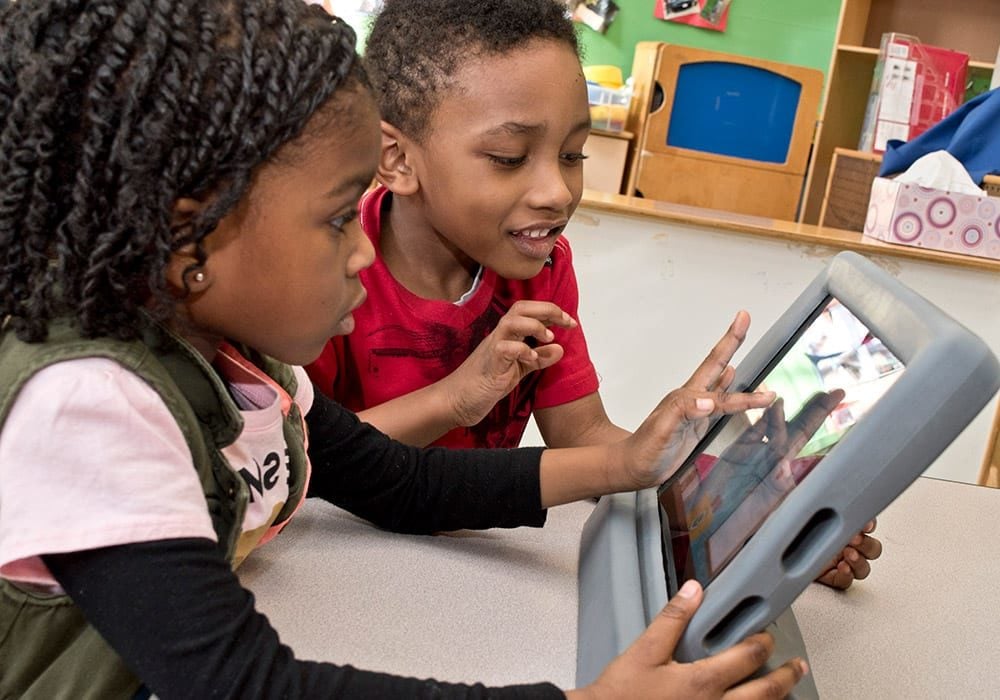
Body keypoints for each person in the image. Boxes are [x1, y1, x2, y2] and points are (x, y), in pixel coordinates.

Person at [0, 1, 808, 697]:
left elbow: (404, 483)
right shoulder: (87, 403)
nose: (360, 252)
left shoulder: (236, 359)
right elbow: (244, 687)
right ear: (190, 229)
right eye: (336, 218)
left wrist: (631, 463)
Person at [306, 0, 881, 590]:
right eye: (509, 159)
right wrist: (455, 399)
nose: (557, 190)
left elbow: (583, 437)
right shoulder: (325, 269)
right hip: (337, 563)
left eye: (573, 154)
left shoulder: (541, 266)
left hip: (469, 572)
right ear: (396, 159)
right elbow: (309, 460)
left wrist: (751, 508)